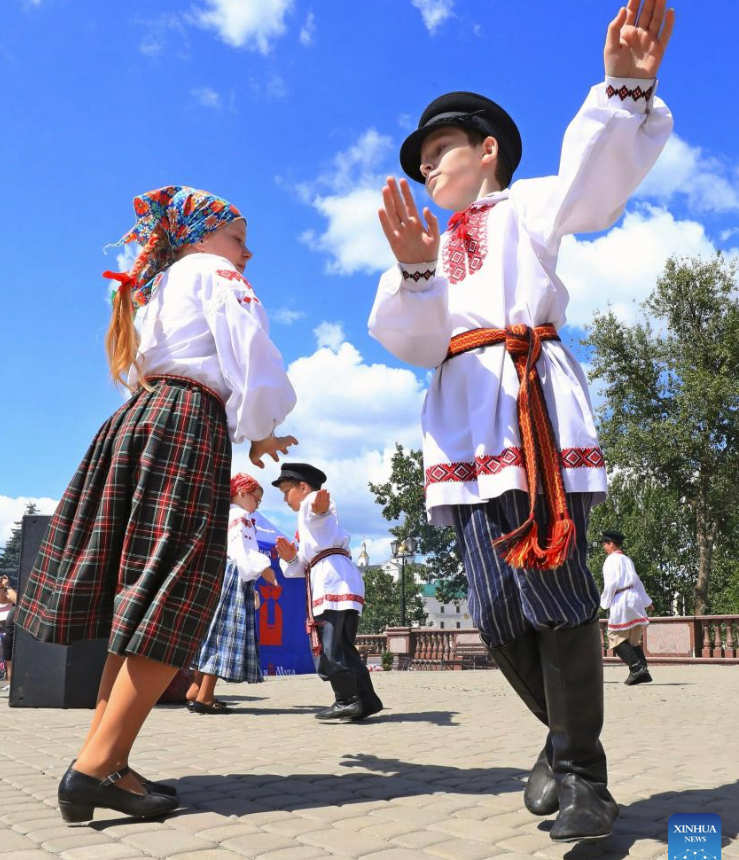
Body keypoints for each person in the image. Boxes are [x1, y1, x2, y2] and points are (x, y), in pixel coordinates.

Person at [368, 0, 674, 843]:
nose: (429, 167)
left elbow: (593, 186)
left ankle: (583, 774)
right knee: (498, 608)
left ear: (488, 151)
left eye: (442, 150)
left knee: (558, 586)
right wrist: (414, 269)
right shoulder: (426, 249)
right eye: (422, 158)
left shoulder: (530, 206)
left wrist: (624, 89)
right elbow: (412, 338)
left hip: (530, 410)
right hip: (463, 428)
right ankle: (564, 737)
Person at [14, 186, 298, 824]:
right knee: (175, 591)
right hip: (187, 421)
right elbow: (249, 348)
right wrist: (263, 424)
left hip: (139, 418)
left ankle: (104, 756)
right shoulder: (212, 271)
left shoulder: (159, 286)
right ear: (201, 235)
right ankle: (93, 768)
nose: (246, 253)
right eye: (238, 237)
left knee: (138, 593)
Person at [273, 463, 383, 721]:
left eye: (286, 491)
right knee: (343, 646)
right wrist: (290, 559)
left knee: (331, 647)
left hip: (331, 581)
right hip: (338, 578)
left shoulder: (312, 504)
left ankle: (347, 700)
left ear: (302, 487)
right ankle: (366, 699)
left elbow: (319, 511)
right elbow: (302, 565)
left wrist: (317, 509)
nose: (284, 498)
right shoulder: (310, 527)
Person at [187, 472, 277, 713]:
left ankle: (196, 688)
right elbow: (241, 552)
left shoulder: (222, 516)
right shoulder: (242, 518)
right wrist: (265, 569)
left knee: (210, 632)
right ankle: (205, 696)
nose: (257, 505)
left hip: (218, 574)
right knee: (223, 635)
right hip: (233, 576)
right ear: (242, 493)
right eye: (256, 499)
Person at [599, 530, 654, 685]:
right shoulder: (627, 559)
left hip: (621, 599)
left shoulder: (610, 560)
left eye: (604, 543)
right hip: (634, 598)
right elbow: (637, 582)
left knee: (614, 637)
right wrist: (647, 601)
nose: (603, 546)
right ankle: (643, 669)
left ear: (610, 543)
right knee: (632, 640)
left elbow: (610, 584)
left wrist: (604, 603)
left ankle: (637, 668)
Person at [0, 576, 16, 691]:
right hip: (10, 630)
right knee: (9, 658)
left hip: (19, 630)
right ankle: (11, 684)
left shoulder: (28, 593)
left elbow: (17, 600)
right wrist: (1, 587)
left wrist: (8, 586)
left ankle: (16, 685)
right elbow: (2, 600)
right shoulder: (13, 592)